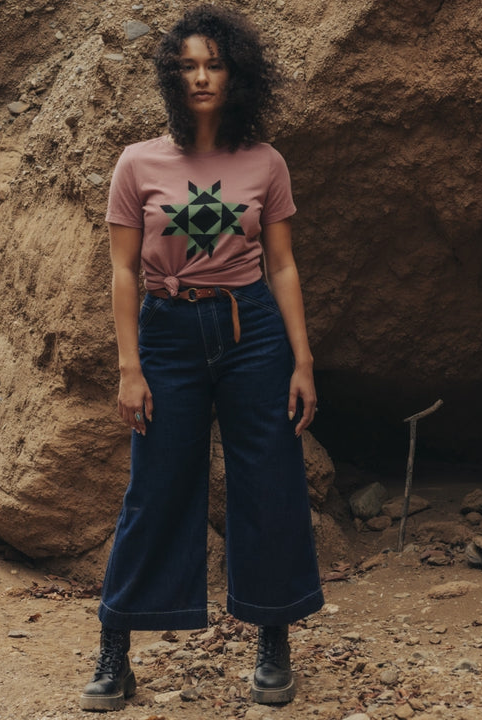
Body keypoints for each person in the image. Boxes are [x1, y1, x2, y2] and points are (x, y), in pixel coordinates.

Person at [80, 5, 324, 711]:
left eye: (213, 63)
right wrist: (130, 367)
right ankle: (114, 650)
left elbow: (282, 266)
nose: (201, 77)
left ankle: (272, 638)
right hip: (168, 331)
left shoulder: (265, 162)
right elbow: (123, 271)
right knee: (154, 488)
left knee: (271, 480)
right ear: (170, 77)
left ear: (236, 73)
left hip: (254, 332)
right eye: (187, 65)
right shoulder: (138, 161)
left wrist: (302, 359)